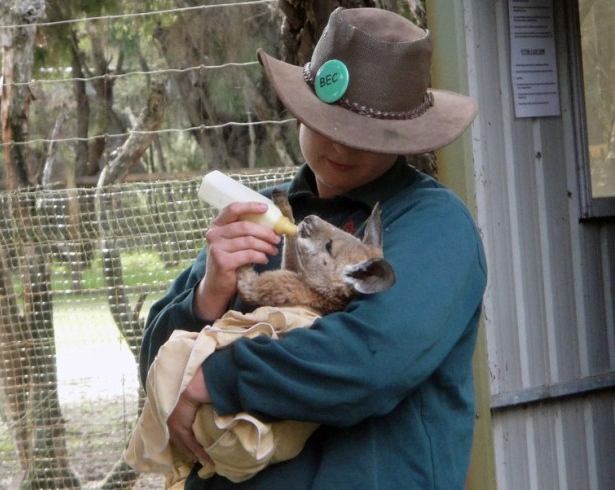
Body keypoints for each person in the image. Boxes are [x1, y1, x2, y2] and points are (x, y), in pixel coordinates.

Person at [139, 6, 487, 490]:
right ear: (301, 109)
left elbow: (368, 360)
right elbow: (156, 361)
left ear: (404, 137)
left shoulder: (434, 225)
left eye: (365, 134)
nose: (341, 147)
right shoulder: (260, 213)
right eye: (328, 123)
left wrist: (214, 378)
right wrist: (209, 293)